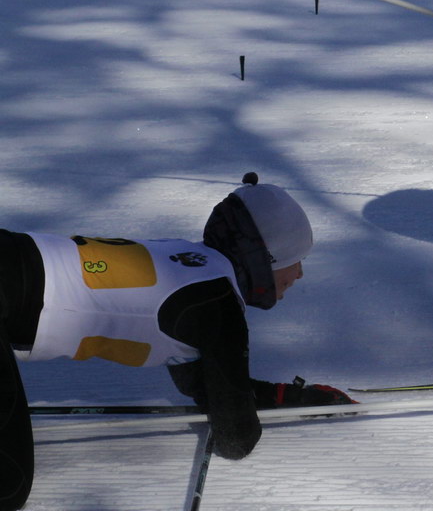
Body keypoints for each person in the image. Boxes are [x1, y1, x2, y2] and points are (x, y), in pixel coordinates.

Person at [0, 173, 353, 511]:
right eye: (296, 260)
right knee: (8, 486)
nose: (300, 274)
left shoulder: (191, 265)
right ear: (265, 259)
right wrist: (267, 406)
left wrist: (290, 397)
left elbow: (207, 390)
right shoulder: (217, 304)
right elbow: (235, 437)